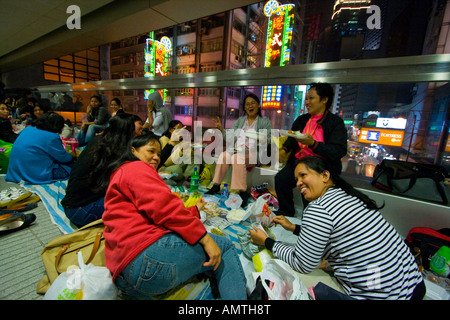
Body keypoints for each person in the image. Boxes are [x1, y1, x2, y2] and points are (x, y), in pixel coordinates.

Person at [250, 156, 425, 300]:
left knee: (279, 275)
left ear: (325, 175)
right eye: (296, 179)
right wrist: (293, 228)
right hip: (412, 285)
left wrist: (267, 242)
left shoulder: (318, 208)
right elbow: (333, 233)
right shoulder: (349, 196)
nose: (298, 183)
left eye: (303, 175)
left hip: (381, 295)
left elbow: (302, 264)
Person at [102, 133, 247, 300]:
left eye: (158, 153)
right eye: (151, 151)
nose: (156, 157)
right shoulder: (136, 168)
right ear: (133, 151)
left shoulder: (120, 173)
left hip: (124, 275)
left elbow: (156, 213)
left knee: (208, 262)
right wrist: (205, 239)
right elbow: (166, 209)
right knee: (224, 246)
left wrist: (194, 212)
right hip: (145, 259)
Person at [275, 82, 347, 216]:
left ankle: (309, 219)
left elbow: (338, 151)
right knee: (281, 179)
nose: (307, 102)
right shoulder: (302, 119)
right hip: (299, 162)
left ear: (324, 99)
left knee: (309, 189)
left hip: (320, 166)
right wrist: (284, 149)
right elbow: (292, 137)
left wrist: (313, 144)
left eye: (311, 98)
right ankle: (286, 211)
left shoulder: (335, 122)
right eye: (306, 99)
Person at [61, 113, 136, 228]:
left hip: (71, 206)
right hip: (82, 210)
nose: (138, 133)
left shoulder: (100, 141)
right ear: (129, 131)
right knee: (134, 203)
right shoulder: (117, 151)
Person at [206, 93, 272, 207]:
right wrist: (221, 130)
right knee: (224, 155)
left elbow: (270, 138)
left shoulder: (264, 121)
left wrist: (261, 138)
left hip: (253, 152)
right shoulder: (241, 121)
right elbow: (231, 137)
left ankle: (241, 192)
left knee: (238, 158)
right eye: (247, 104)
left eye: (253, 103)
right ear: (245, 107)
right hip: (237, 149)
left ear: (258, 105)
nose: (250, 106)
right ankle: (216, 185)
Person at [6, 112, 75, 184]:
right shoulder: (51, 137)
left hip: (15, 173)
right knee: (74, 167)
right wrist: (72, 155)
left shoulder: (28, 129)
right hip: (34, 175)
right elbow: (63, 158)